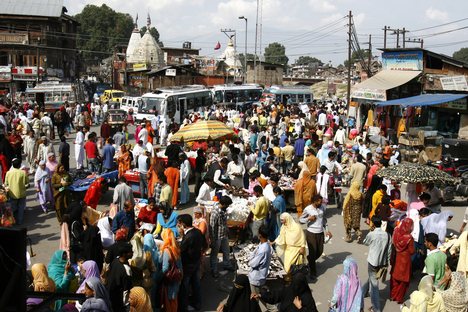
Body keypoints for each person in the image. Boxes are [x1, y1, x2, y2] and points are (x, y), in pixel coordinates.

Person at [361, 216, 392, 312]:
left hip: (373, 262)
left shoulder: (372, 234)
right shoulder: (387, 235)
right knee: (372, 277)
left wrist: (371, 231)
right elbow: (389, 250)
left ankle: (376, 308)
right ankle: (363, 292)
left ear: (373, 224)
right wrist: (386, 263)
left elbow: (365, 242)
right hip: (382, 262)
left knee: (374, 286)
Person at [177, 214, 205, 311]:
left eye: (179, 223)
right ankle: (197, 304)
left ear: (183, 224)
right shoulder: (198, 232)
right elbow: (205, 245)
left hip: (188, 265)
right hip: (196, 262)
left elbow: (180, 250)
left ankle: (184, 307)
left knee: (185, 286)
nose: (178, 225)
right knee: (196, 284)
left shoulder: (189, 236)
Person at [299, 194, 330, 281]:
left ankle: (310, 260)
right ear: (314, 201)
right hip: (311, 233)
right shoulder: (308, 209)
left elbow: (324, 220)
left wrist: (327, 230)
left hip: (320, 233)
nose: (320, 203)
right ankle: (313, 272)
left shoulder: (322, 208)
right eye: (318, 201)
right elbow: (300, 220)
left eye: (321, 201)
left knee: (320, 251)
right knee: (313, 252)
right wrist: (308, 218)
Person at [390, 218, 415, 304]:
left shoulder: (396, 232)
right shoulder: (409, 238)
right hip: (405, 261)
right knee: (403, 281)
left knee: (395, 278)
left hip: (396, 258)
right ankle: (399, 297)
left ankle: (393, 295)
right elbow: (411, 251)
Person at [209, 195, 234, 277]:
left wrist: (227, 230)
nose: (227, 207)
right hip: (217, 237)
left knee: (226, 251)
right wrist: (212, 240)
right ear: (223, 204)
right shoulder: (215, 212)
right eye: (227, 205)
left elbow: (224, 222)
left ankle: (227, 265)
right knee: (214, 254)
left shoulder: (223, 210)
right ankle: (214, 270)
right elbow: (212, 227)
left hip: (224, 235)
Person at [248, 225, 272, 309]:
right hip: (260, 277)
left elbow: (252, 263)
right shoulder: (266, 245)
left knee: (256, 299)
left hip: (256, 278)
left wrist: (251, 259)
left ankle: (274, 310)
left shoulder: (263, 249)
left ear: (260, 235)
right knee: (262, 297)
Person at [160, 228, 183, 312]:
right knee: (174, 298)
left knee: (169, 300)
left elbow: (165, 268)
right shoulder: (176, 247)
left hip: (170, 279)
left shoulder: (167, 250)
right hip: (177, 276)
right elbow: (180, 265)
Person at [106, 243, 133, 312]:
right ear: (124, 254)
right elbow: (126, 290)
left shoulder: (116, 260)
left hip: (110, 295)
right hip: (119, 301)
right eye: (130, 251)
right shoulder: (126, 269)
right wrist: (126, 305)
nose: (132, 253)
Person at [4, 158, 29, 225]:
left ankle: (12, 221)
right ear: (19, 165)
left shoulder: (8, 173)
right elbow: (27, 183)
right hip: (22, 193)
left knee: (12, 208)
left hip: (12, 194)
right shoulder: (23, 173)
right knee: (21, 208)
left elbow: (6, 184)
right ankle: (20, 221)